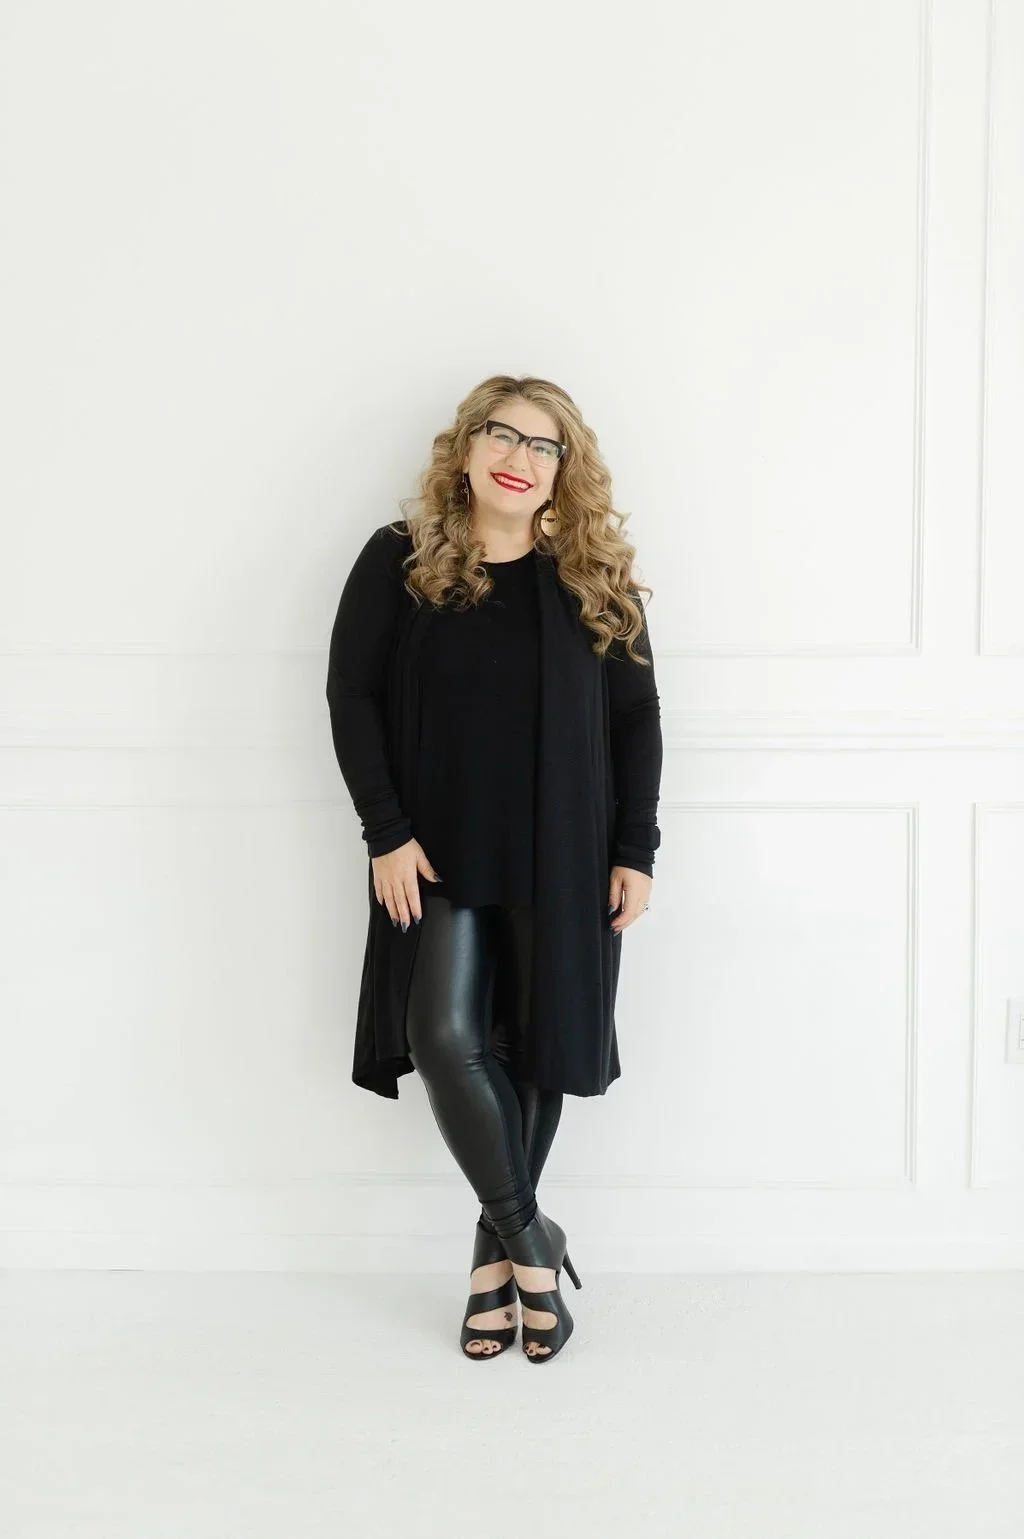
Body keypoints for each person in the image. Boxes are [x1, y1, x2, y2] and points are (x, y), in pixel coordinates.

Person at [326, 374, 662, 1362]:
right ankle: (532, 1240)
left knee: (534, 1045)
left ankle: (491, 1266)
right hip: (435, 849)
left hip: (563, 849)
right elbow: (351, 697)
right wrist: (383, 831)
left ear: (565, 468)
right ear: (466, 449)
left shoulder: (590, 576)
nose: (520, 457)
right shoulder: (401, 561)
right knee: (443, 1034)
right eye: (503, 436)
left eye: (543, 444)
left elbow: (636, 719)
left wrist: (634, 850)